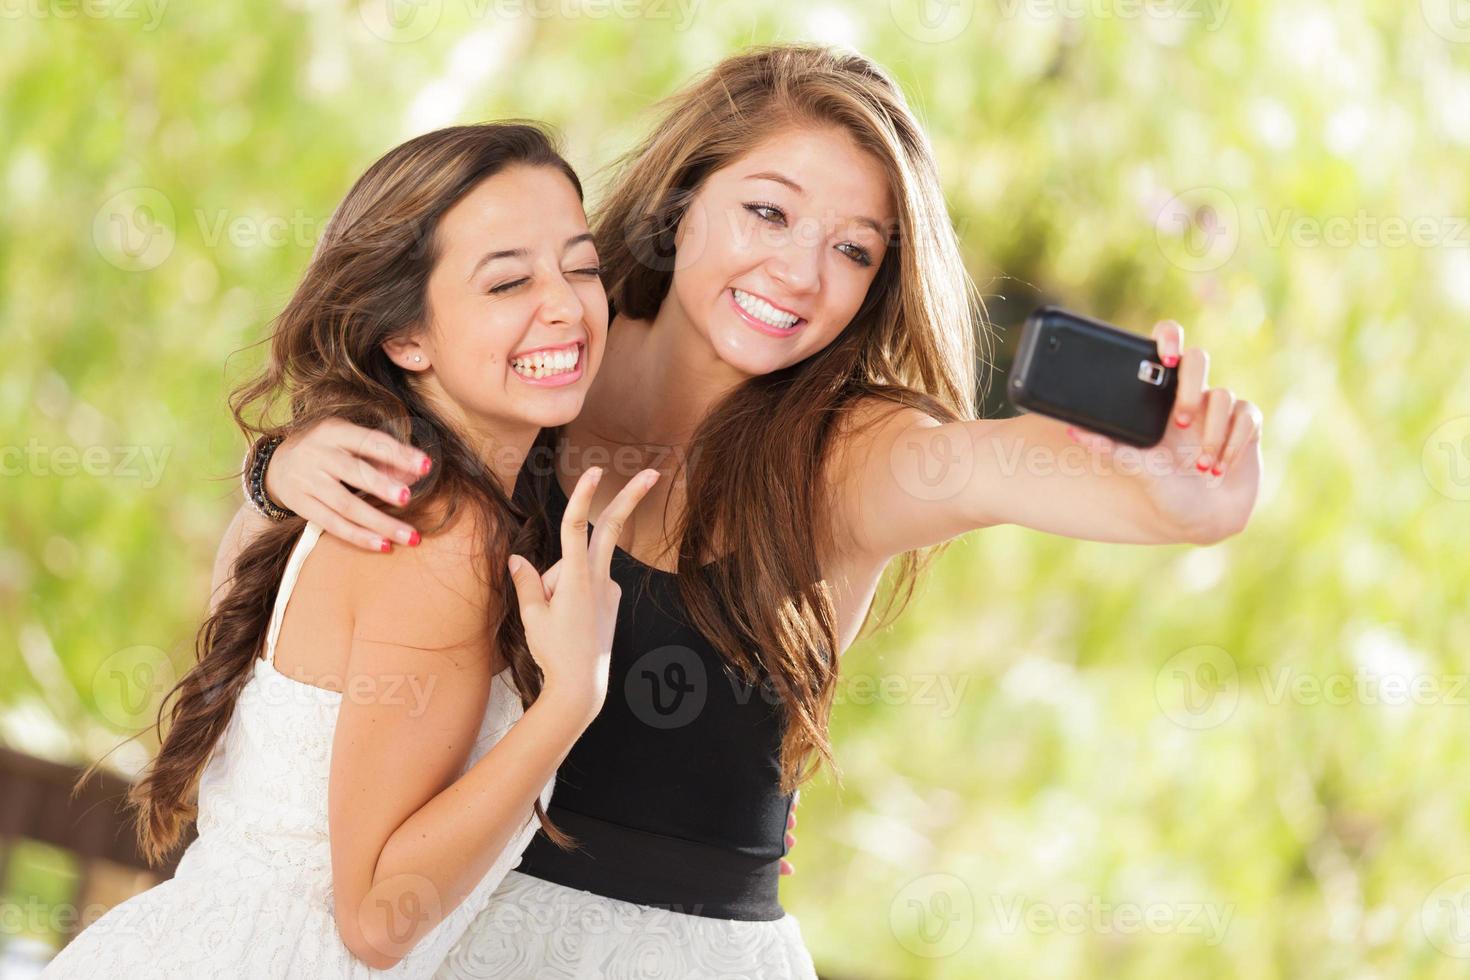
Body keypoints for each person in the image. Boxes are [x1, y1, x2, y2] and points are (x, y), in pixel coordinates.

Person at [237, 45, 1263, 979]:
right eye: (767, 213)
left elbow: (987, 460)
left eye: (855, 250)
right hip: (440, 940)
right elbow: (281, 621)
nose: (801, 274)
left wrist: (1175, 495)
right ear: (683, 203)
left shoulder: (845, 457)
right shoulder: (532, 356)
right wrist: (279, 469)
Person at [45, 123, 659, 978]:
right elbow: (377, 920)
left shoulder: (397, 487)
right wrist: (571, 699)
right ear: (406, 339)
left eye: (581, 266)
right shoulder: (439, 533)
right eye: (509, 280)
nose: (563, 304)